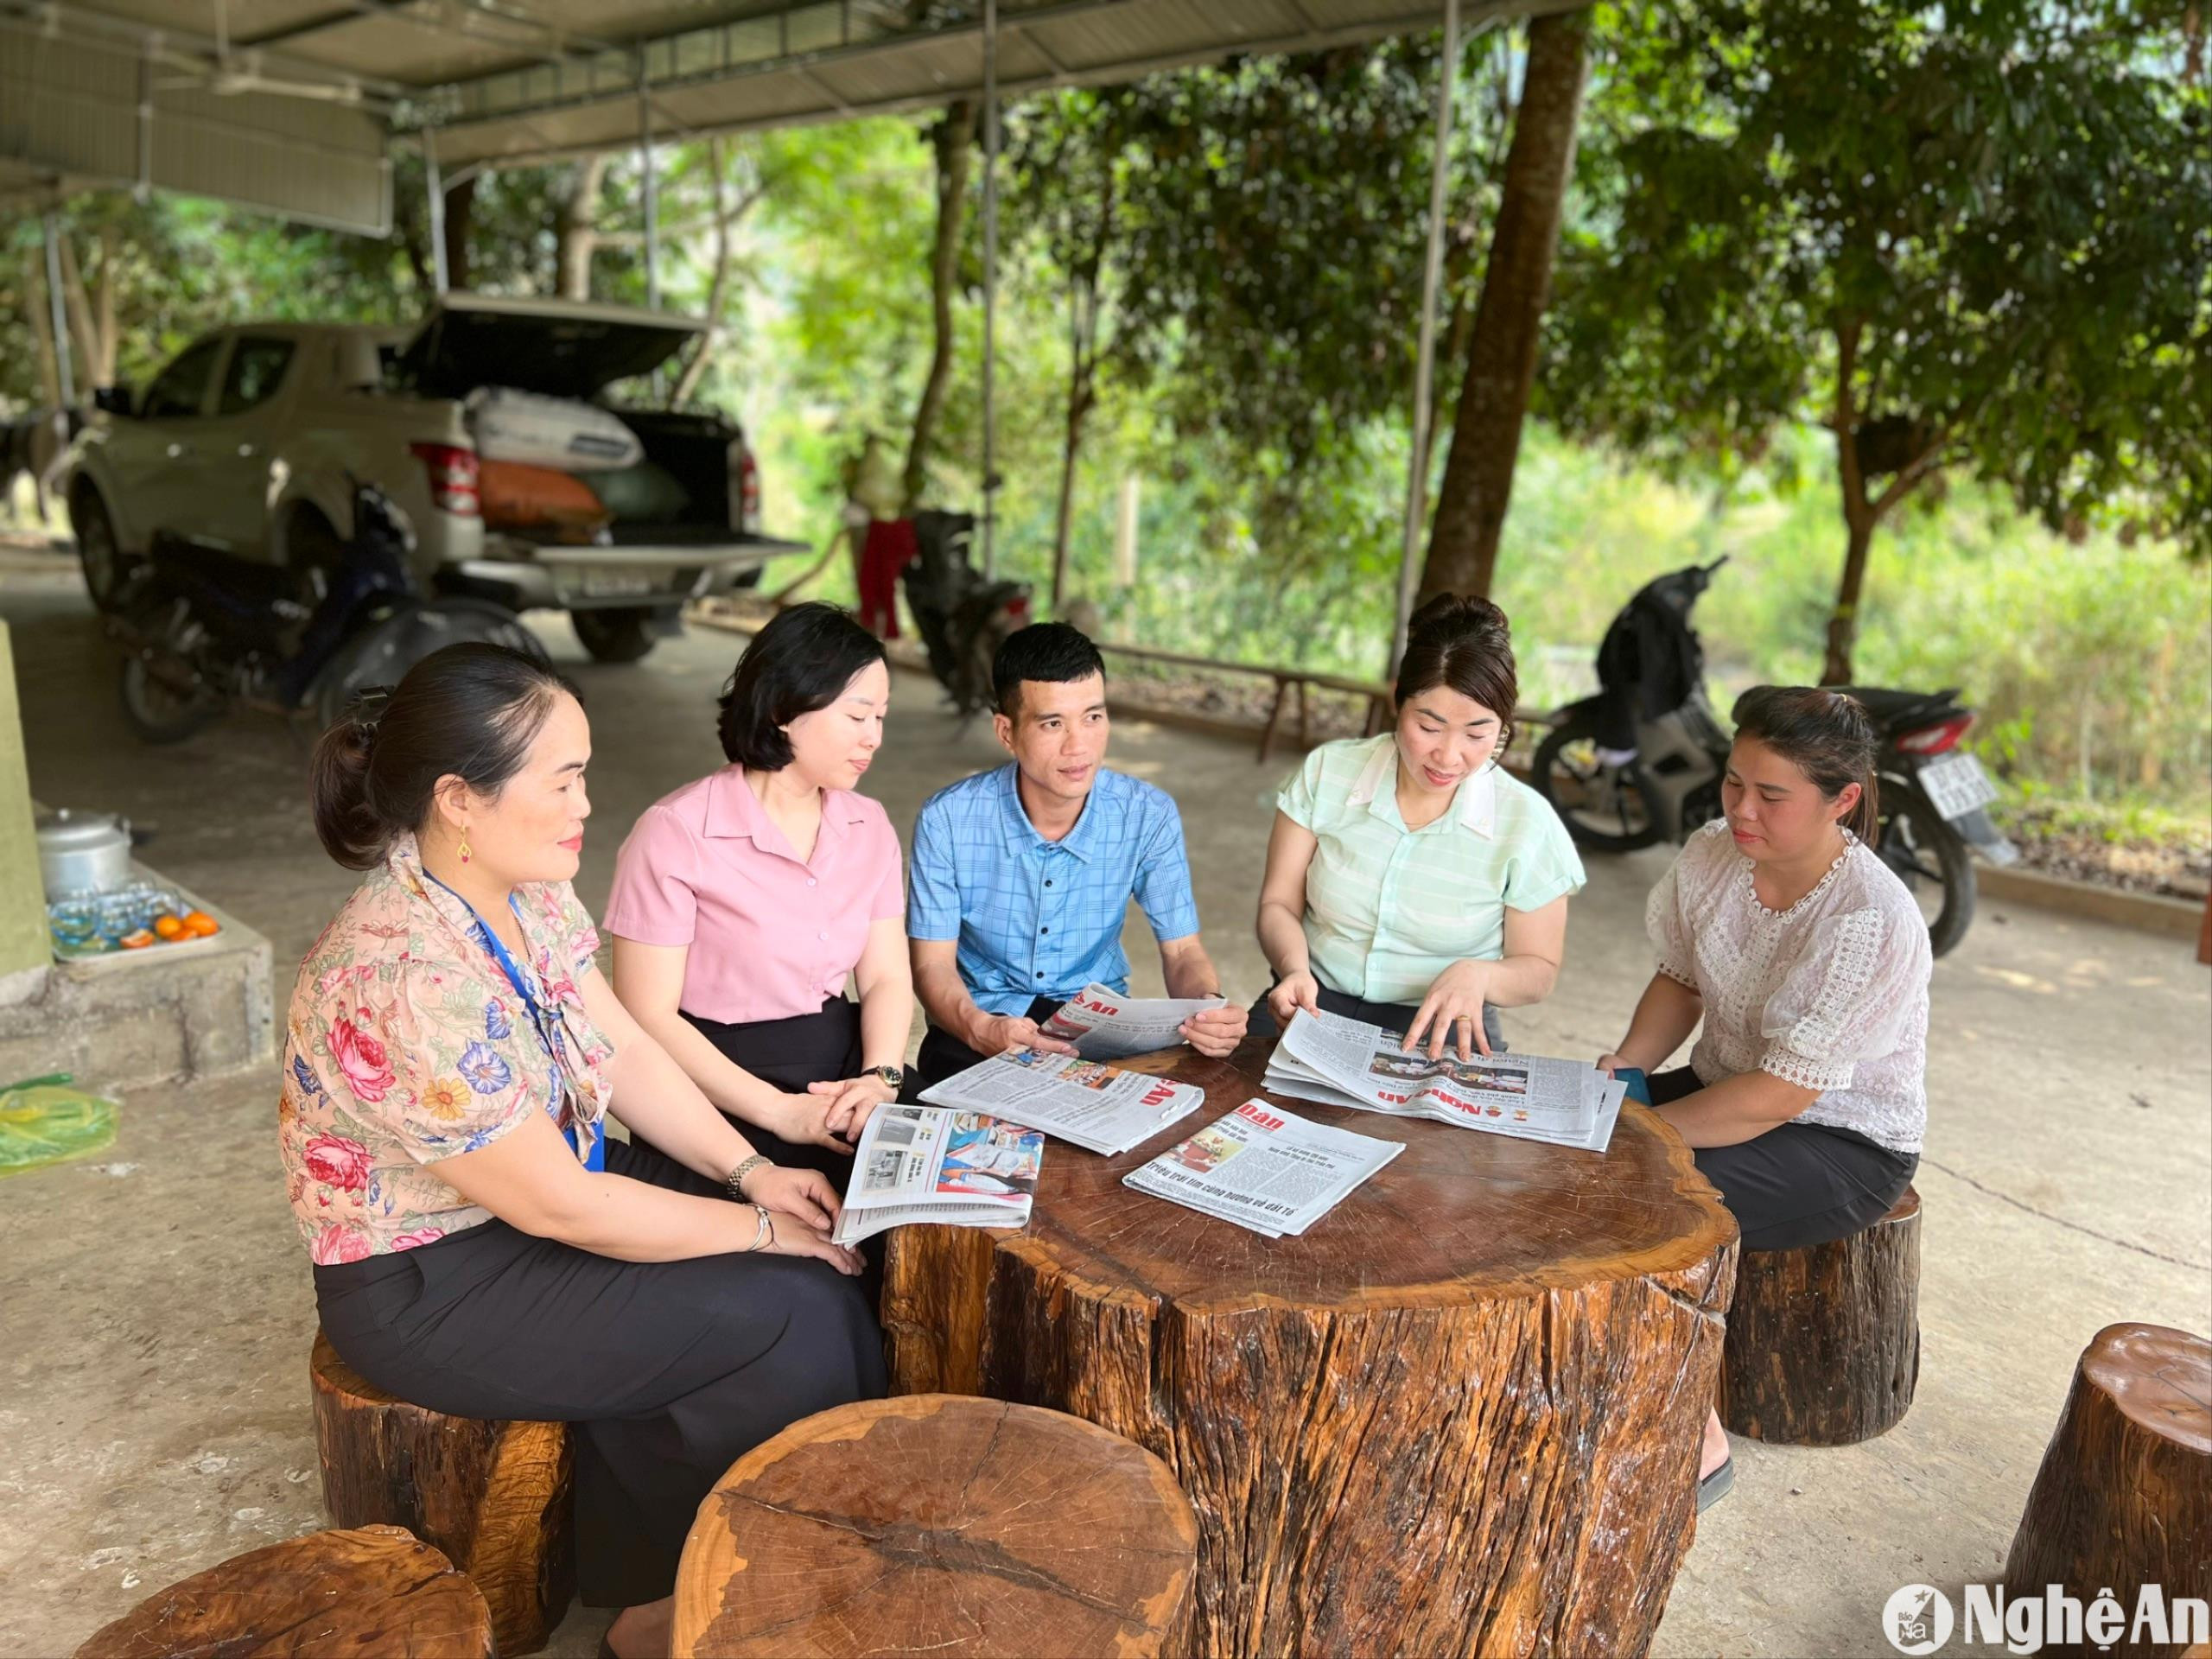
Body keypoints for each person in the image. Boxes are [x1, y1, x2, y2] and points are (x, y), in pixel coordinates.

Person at [281, 642, 880, 1659]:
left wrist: (751, 1172)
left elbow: (627, 1048)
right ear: (459, 800)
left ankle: (735, 1558)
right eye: (562, 779)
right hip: (433, 1277)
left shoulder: (526, 889)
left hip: (542, 1189)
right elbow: (565, 1209)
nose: (585, 804)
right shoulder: (403, 975)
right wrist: (763, 1228)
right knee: (790, 1307)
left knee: (809, 1245)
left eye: (583, 774)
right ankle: (673, 1614)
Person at [1597, 685, 1930, 1512]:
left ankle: (1694, 1436)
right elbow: (1680, 980)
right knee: (1557, 1146)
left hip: (1840, 1143)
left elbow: (1782, 1094)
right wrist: (1624, 1071)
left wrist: (1640, 1132)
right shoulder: (1715, 855)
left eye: (1771, 795)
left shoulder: (1872, 919)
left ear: (1842, 800)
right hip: (1727, 1090)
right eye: (1733, 782)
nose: (1742, 809)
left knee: (1640, 1206)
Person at [605, 603, 910, 1188]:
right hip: (715, 1088)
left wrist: (881, 1079)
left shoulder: (868, 825)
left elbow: (887, 979)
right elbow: (646, 1016)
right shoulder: (675, 831)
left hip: (845, 1072)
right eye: (857, 716)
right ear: (782, 710)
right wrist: (779, 1112)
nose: (874, 737)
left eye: (882, 716)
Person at [906, 623, 1246, 1089]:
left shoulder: (1147, 814)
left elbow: (1183, 949)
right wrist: (979, 1028)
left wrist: (1207, 1006)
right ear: (1007, 732)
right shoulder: (948, 819)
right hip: (982, 1019)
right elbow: (932, 966)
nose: (1079, 746)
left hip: (1099, 1022)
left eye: (1093, 717)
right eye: (1052, 724)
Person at [1253, 594, 1585, 1059]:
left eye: (1477, 734)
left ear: (1503, 725)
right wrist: (1293, 970)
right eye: (1429, 727)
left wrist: (1481, 976)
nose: (1449, 756)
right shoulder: (1329, 772)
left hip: (1444, 1021)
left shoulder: (1526, 822)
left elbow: (1539, 969)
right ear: (1398, 703)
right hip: (1312, 997)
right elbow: (1278, 904)